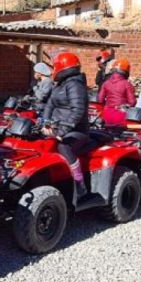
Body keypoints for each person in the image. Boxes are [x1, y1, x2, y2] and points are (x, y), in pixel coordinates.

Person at [42, 51, 91, 197]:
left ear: (61, 66)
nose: (53, 70)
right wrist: (45, 123)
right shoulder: (59, 85)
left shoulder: (75, 85)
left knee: (64, 146)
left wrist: (63, 130)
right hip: (58, 127)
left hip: (77, 130)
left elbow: (78, 111)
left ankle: (79, 182)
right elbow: (49, 106)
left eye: (54, 66)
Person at [97, 58, 135, 126]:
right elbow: (132, 102)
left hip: (107, 113)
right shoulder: (127, 84)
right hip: (121, 114)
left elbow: (100, 100)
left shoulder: (106, 83)